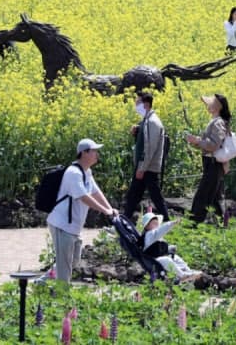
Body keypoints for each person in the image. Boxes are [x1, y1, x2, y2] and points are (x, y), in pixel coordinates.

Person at [46, 139, 117, 283]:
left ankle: (42, 282)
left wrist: (110, 209)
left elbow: (96, 192)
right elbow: (83, 196)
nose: (97, 154)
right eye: (94, 151)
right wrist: (105, 211)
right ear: (84, 153)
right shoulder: (74, 173)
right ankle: (61, 298)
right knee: (64, 267)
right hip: (62, 224)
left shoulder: (87, 172)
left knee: (73, 262)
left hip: (73, 227)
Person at [124, 92, 170, 223]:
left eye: (138, 103)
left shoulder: (153, 122)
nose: (135, 105)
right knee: (133, 196)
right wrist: (137, 130)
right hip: (144, 166)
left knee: (155, 197)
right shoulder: (146, 120)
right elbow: (145, 138)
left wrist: (142, 168)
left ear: (146, 104)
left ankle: (166, 222)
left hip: (148, 167)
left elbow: (150, 147)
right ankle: (123, 221)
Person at [186, 94, 231, 224]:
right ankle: (223, 222)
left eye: (209, 103)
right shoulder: (217, 121)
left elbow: (213, 145)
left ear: (216, 107)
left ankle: (193, 223)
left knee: (203, 196)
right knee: (215, 197)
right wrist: (197, 142)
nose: (207, 105)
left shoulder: (217, 122)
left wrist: (198, 141)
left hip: (213, 164)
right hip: (212, 163)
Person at [140, 212, 202, 282]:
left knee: (176, 258)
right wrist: (172, 223)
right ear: (147, 226)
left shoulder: (156, 236)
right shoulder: (150, 234)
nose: (156, 224)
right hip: (153, 262)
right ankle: (182, 275)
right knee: (167, 260)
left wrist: (170, 248)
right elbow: (161, 230)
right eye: (153, 223)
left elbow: (159, 248)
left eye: (156, 222)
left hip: (159, 258)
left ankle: (188, 271)